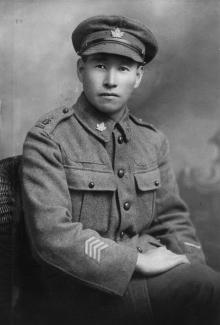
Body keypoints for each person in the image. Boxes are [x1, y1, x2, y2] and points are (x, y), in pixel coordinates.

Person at [21, 15, 220, 325]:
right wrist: (137, 261)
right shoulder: (49, 138)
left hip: (143, 282)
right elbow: (52, 235)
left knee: (205, 282)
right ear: (81, 70)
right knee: (206, 290)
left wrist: (189, 259)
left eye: (124, 68)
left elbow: (172, 217)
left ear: (138, 77)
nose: (111, 80)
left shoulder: (151, 140)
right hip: (80, 289)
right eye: (100, 65)